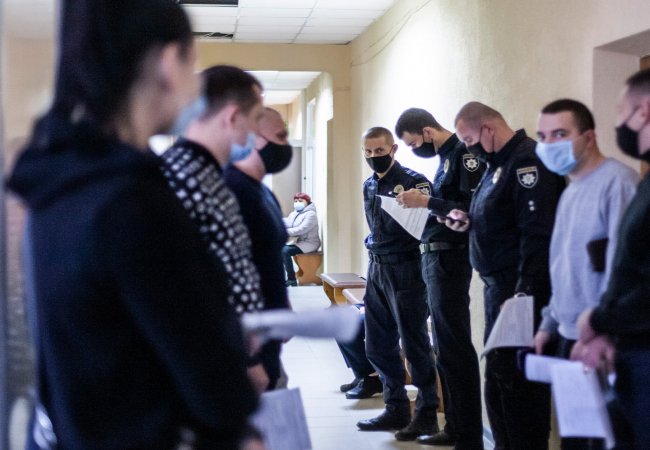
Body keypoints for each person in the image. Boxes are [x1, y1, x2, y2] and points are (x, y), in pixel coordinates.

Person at [7, 1, 257, 449]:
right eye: (193, 62)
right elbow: (215, 390)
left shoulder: (55, 185)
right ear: (169, 63)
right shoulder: (134, 201)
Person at [444, 102, 565, 450]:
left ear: (488, 129)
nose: (468, 148)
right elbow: (500, 220)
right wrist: (468, 222)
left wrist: (523, 295)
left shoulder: (527, 162)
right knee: (498, 383)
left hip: (519, 291)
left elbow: (536, 236)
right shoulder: (495, 165)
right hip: (498, 290)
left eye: (469, 140)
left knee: (518, 387)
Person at [532, 99, 637, 450]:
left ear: (589, 137)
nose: (549, 144)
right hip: (569, 339)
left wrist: (601, 333)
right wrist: (549, 323)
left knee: (607, 441)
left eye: (560, 134)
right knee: (576, 441)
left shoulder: (618, 183)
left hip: (605, 343)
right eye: (542, 136)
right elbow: (563, 266)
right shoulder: (569, 191)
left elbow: (623, 270)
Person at [160, 65, 271, 393]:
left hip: (227, 354)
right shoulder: (184, 178)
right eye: (256, 119)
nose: (257, 132)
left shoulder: (210, 175)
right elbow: (182, 288)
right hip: (204, 362)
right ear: (232, 116)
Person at [394, 107, 485, 449]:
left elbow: (468, 208)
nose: (415, 149)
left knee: (455, 348)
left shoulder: (462, 155)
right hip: (435, 256)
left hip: (451, 257)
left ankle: (469, 435)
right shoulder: (446, 158)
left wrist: (425, 201)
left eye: (413, 143)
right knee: (444, 350)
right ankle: (455, 427)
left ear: (428, 132)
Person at [573, 68, 650, 449]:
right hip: (631, 349)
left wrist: (600, 320)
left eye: (620, 111)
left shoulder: (621, 180)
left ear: (644, 110)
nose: (618, 123)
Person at [355, 126, 440, 442]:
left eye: (379, 151)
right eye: (368, 152)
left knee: (414, 345)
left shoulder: (415, 182)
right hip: (376, 268)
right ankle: (396, 409)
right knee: (377, 344)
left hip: (406, 269)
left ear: (393, 149)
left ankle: (427, 415)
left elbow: (432, 223)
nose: (373, 157)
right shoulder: (369, 185)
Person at [224, 107, 294, 391]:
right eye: (280, 136)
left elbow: (270, 257)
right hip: (247, 341)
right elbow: (228, 273)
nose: (285, 145)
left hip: (269, 330)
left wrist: (284, 305)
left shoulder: (264, 192)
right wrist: (248, 358)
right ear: (253, 138)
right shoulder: (231, 190)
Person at [282, 192, 321, 287]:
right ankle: (287, 277)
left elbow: (301, 229)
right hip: (299, 242)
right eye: (295, 201)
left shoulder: (311, 214)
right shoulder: (294, 213)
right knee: (279, 248)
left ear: (307, 202)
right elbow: (288, 223)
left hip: (310, 243)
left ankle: (291, 279)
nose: (297, 203)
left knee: (284, 251)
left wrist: (283, 231)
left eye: (300, 201)